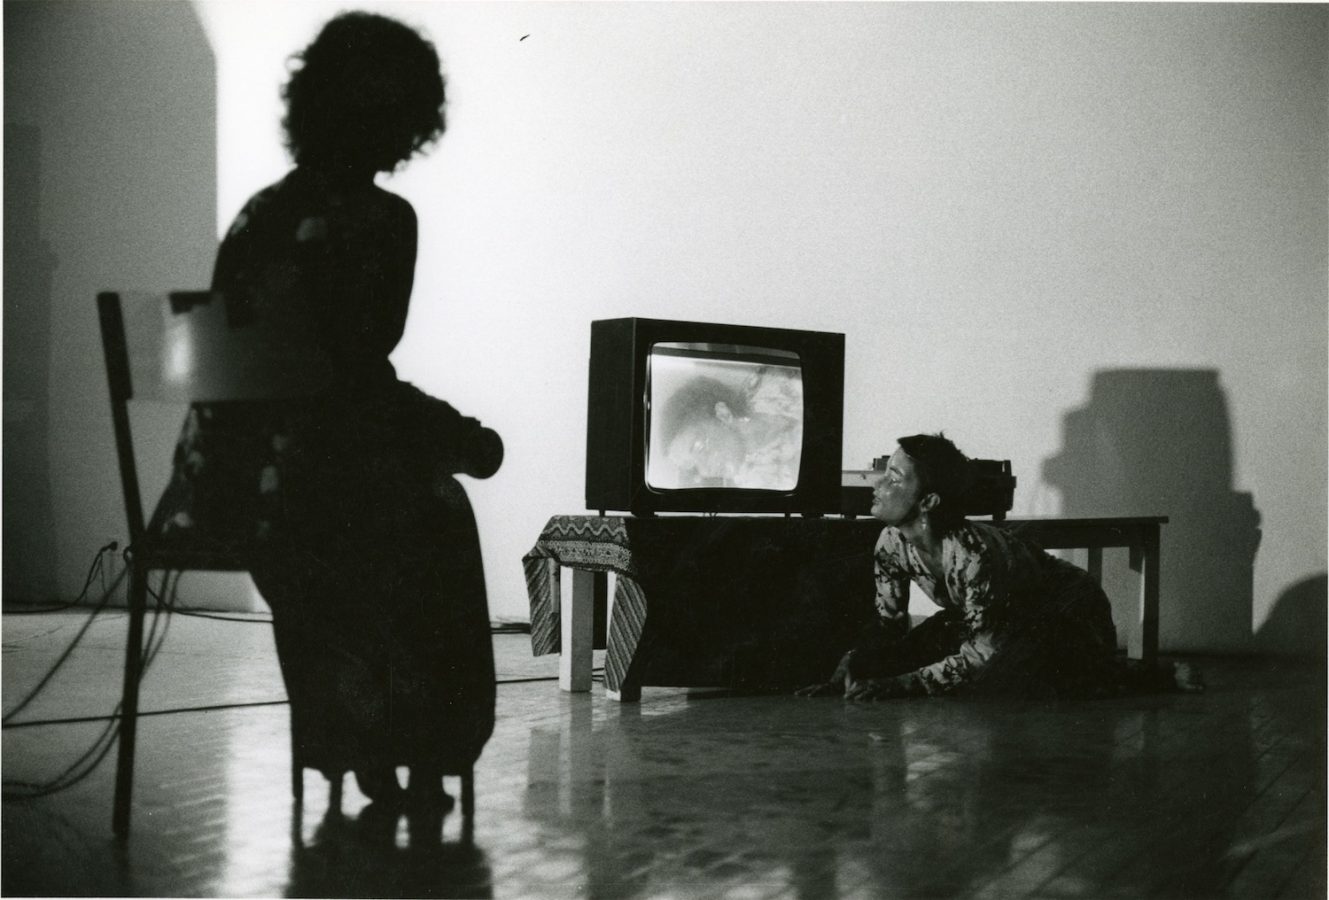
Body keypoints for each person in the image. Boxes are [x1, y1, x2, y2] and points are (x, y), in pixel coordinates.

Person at [150, 11, 500, 809]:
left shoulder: (258, 212)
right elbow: (352, 382)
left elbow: (315, 379)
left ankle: (358, 748)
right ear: (407, 116)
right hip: (304, 484)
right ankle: (417, 752)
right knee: (432, 517)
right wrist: (455, 438)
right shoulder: (381, 223)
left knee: (385, 512)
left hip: (223, 483)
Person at [798, 433, 1200, 700]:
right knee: (929, 645)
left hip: (1068, 613)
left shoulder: (974, 554)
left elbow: (981, 655)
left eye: (894, 477)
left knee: (1005, 684)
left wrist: (898, 686)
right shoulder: (891, 542)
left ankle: (1152, 676)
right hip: (998, 620)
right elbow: (889, 624)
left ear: (930, 502)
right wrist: (858, 665)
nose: (876, 484)